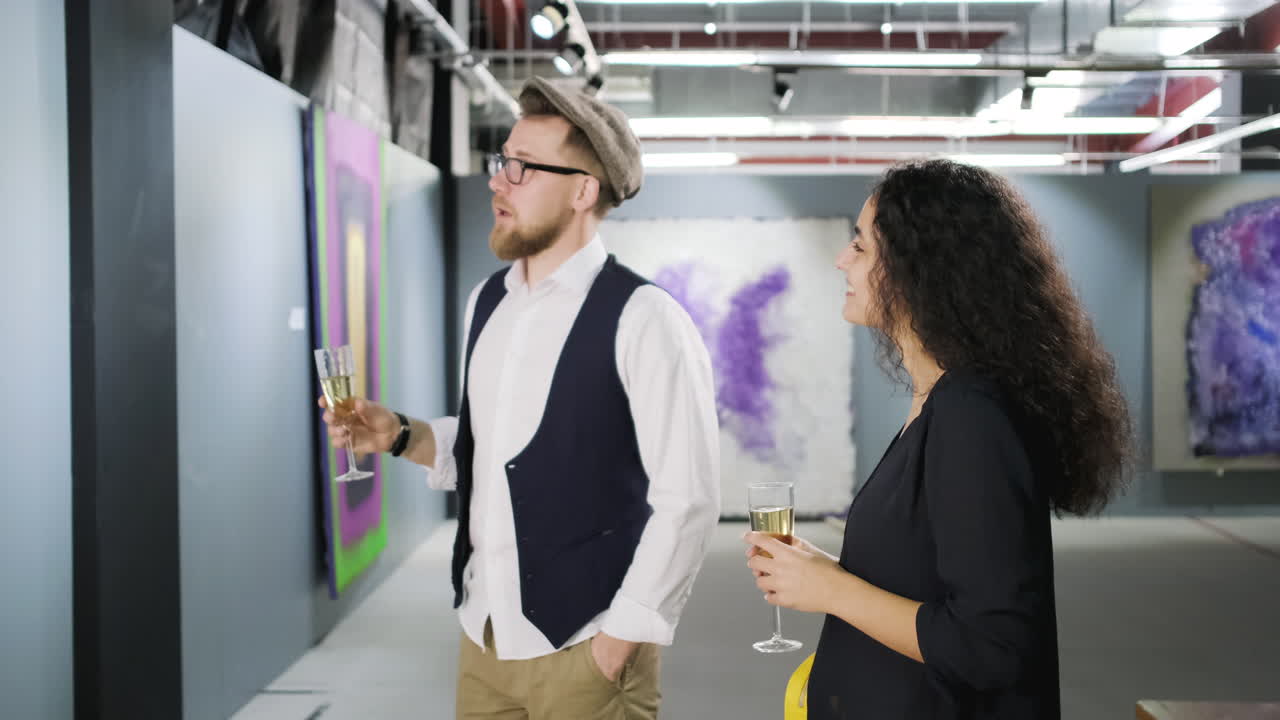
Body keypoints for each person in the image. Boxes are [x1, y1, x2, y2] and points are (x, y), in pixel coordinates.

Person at [320, 77, 720, 719]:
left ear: (582, 191)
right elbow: (493, 450)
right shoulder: (488, 302)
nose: (497, 181)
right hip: (484, 640)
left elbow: (690, 498)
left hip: (587, 651)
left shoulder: (644, 318)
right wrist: (397, 432)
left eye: (521, 167)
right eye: (501, 161)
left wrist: (619, 639)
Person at [744, 159, 1133, 719]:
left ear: (914, 270)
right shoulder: (938, 401)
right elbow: (928, 578)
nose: (840, 261)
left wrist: (830, 590)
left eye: (859, 247)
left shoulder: (971, 417)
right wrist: (820, 570)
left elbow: (991, 646)